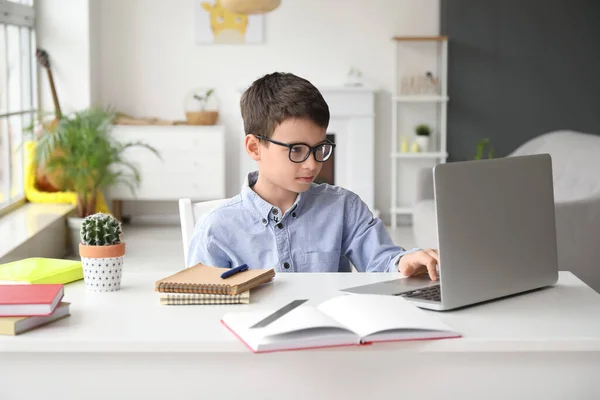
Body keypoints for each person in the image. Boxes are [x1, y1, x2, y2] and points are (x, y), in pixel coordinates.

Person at [187, 72, 439, 279]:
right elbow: (202, 309)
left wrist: (406, 260)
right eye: (296, 149)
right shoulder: (215, 230)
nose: (312, 164)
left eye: (319, 148)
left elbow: (382, 260)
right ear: (254, 147)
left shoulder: (344, 207)